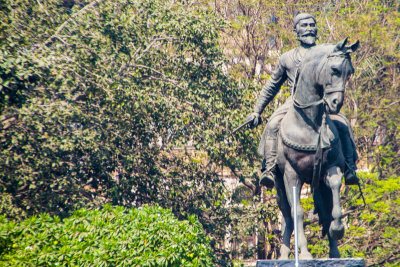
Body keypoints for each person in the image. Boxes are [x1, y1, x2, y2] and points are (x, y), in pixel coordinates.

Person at [246, 13, 359, 188]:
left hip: (322, 101)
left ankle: (350, 167)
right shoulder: (287, 57)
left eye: (311, 25)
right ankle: (269, 169)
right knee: (274, 124)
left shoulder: (326, 52)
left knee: (343, 124)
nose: (308, 29)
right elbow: (272, 86)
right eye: (303, 25)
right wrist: (257, 111)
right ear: (295, 31)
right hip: (295, 102)